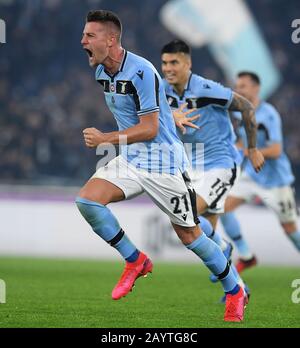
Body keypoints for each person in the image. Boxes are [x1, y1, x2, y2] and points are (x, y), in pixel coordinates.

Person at [77, 10, 245, 322]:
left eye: (90, 36)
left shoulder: (141, 71)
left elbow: (151, 128)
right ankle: (135, 260)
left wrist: (106, 138)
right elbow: (151, 107)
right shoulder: (102, 73)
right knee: (87, 200)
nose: (82, 40)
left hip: (164, 163)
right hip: (133, 158)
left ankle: (234, 291)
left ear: (110, 39)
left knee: (190, 237)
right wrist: (172, 114)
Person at [160, 39, 264, 297]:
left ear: (188, 63)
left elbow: (247, 107)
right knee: (202, 233)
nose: (168, 68)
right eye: (164, 63)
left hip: (221, 164)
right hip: (191, 166)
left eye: (174, 62)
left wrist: (252, 149)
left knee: (185, 217)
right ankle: (240, 287)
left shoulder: (205, 88)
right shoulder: (162, 90)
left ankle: (224, 247)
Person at [220, 72, 300, 273]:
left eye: (243, 86)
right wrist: (234, 148)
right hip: (251, 175)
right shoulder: (239, 113)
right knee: (223, 207)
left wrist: (250, 151)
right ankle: (246, 256)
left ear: (256, 88)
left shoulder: (269, 114)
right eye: (237, 86)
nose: (239, 90)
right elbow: (242, 142)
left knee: (289, 228)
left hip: (276, 181)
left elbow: (276, 150)